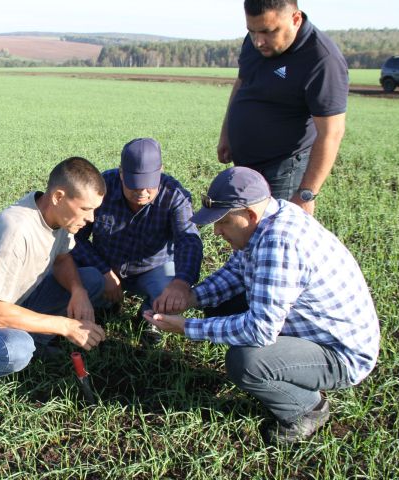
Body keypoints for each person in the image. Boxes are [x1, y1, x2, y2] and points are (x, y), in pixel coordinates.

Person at [145, 167, 380, 443]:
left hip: (341, 355)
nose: (217, 232)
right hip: (312, 330)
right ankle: (290, 374)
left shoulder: (278, 242)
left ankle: (307, 408)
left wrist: (188, 328)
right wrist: (190, 298)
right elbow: (235, 274)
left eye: (222, 222)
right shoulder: (271, 218)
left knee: (246, 361)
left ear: (249, 215)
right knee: (222, 306)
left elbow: (260, 331)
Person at [0, 157, 108, 387]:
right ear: (58, 197)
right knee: (16, 348)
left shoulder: (59, 217)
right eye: (85, 209)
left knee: (91, 279)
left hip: (20, 299)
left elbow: (63, 259)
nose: (91, 218)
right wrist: (65, 326)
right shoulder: (16, 231)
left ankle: (38, 341)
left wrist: (78, 291)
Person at [217, 0, 348, 215]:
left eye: (268, 32)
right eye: (252, 31)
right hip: (245, 164)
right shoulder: (254, 42)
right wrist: (226, 133)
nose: (258, 42)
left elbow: (331, 133)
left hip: (282, 172)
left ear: (295, 19)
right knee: (244, 234)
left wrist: (306, 194)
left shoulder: (322, 60)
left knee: (275, 237)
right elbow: (242, 84)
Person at [71, 138, 203, 340]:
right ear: (121, 173)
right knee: (81, 280)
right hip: (105, 265)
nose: (141, 192)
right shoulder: (102, 188)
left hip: (151, 269)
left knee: (169, 294)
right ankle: (106, 304)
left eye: (148, 185)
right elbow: (74, 237)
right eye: (134, 185)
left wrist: (181, 283)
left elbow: (189, 241)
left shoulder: (175, 196)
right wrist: (105, 272)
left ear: (160, 171)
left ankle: (148, 318)